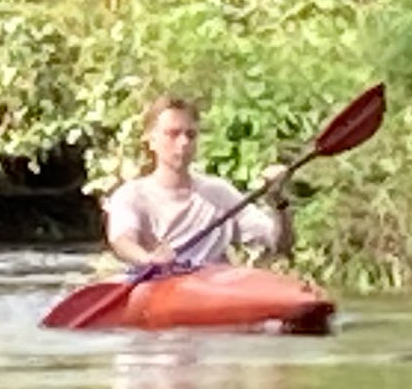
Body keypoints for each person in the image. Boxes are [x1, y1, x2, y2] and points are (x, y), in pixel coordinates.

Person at [97, 96, 287, 272]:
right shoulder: (131, 195)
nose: (183, 142)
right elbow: (123, 240)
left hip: (212, 288)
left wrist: (279, 202)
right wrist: (148, 259)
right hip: (159, 285)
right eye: (173, 134)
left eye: (190, 135)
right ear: (151, 141)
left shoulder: (219, 193)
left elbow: (279, 245)